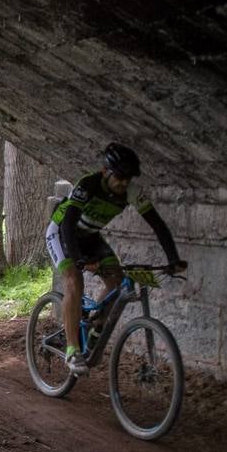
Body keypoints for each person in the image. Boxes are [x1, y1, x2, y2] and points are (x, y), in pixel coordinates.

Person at [46, 142, 187, 376]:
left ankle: (94, 327)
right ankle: (72, 351)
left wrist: (174, 259)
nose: (124, 183)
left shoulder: (131, 191)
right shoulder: (88, 184)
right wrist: (79, 260)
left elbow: (157, 224)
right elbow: (69, 222)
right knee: (74, 280)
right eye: (120, 177)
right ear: (106, 172)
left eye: (128, 178)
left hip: (90, 237)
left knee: (116, 281)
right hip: (62, 233)